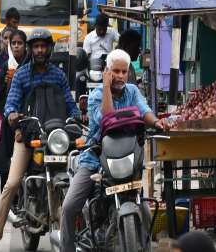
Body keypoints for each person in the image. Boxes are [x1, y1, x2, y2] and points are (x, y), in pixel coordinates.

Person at [0, 28, 78, 252]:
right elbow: (11, 104)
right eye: (36, 46)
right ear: (31, 49)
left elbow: (69, 104)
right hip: (28, 137)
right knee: (12, 183)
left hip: (55, 137)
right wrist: (12, 115)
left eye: (43, 46)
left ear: (49, 49)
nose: (40, 50)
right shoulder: (22, 75)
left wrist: (78, 115)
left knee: (74, 180)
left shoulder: (59, 75)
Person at [60, 49, 166, 252]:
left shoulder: (132, 91)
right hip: (95, 159)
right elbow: (107, 118)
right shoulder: (96, 95)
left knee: (145, 210)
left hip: (127, 160)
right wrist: (106, 87)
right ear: (107, 72)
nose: (120, 76)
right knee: (69, 207)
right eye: (115, 71)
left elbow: (144, 111)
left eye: (124, 72)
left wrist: (156, 122)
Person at [0, 29, 28, 192]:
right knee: (6, 159)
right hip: (8, 119)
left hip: (26, 117)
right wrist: (5, 81)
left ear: (25, 45)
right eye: (13, 43)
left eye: (19, 43)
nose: (15, 46)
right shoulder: (5, 66)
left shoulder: (29, 66)